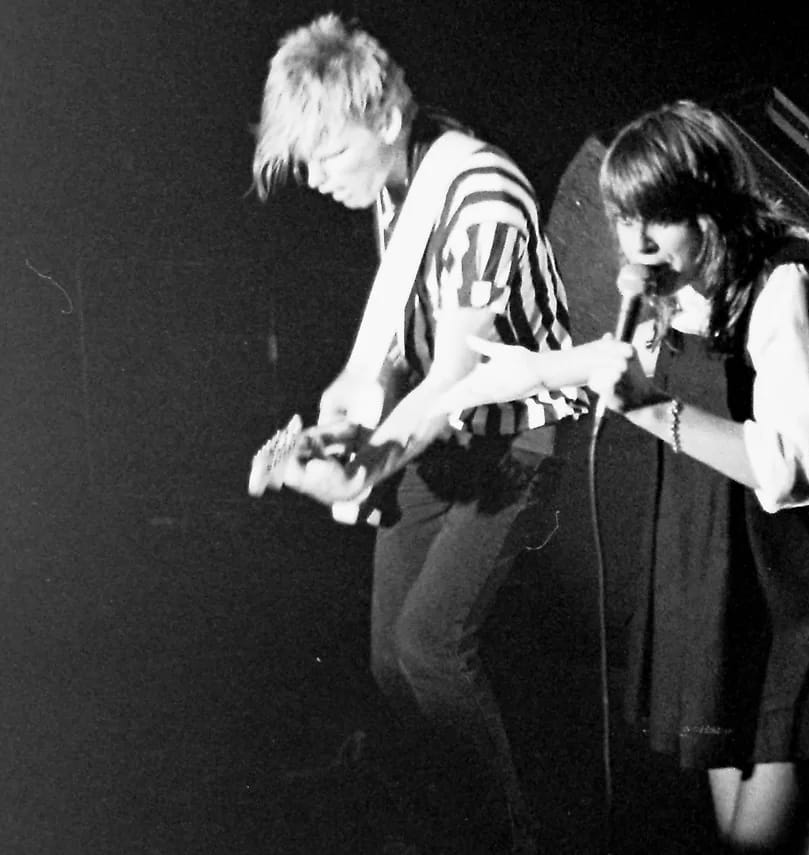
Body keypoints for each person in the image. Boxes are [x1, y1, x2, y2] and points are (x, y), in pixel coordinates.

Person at [433, 100, 809, 854]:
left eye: (660, 218)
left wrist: (650, 412)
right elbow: (618, 365)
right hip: (727, 592)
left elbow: (791, 469)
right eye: (623, 219)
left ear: (713, 210)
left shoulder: (791, 290)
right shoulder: (677, 285)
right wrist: (501, 379)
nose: (637, 243)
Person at [250, 12, 584, 855]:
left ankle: (509, 840)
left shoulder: (482, 196)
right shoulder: (400, 180)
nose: (318, 179)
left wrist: (363, 465)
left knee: (429, 647)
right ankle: (448, 828)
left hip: (514, 437)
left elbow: (455, 379)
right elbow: (404, 348)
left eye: (329, 154)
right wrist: (344, 423)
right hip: (443, 435)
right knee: (388, 659)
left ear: (386, 122)